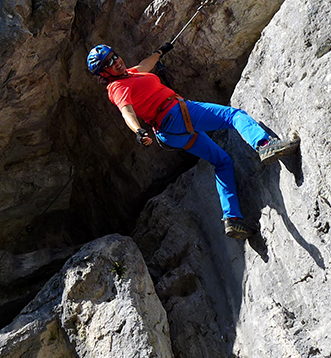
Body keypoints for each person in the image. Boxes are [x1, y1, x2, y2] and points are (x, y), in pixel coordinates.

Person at [88, 43, 299, 240]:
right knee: (233, 116)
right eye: (108, 63)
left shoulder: (130, 73)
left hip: (169, 132)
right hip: (174, 113)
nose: (115, 61)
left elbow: (145, 65)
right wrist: (138, 130)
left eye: (114, 56)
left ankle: (232, 218)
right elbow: (126, 111)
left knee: (222, 161)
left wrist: (160, 52)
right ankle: (264, 145)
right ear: (104, 74)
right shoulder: (116, 87)